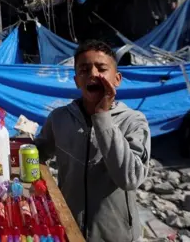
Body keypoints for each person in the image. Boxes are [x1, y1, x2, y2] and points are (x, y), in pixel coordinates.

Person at [35, 40, 151, 242]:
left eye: (102, 68)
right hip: (68, 227)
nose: (93, 74)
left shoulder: (133, 121)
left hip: (115, 235)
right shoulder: (60, 118)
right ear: (77, 80)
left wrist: (102, 117)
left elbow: (130, 179)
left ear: (117, 79)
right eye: (84, 69)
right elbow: (39, 152)